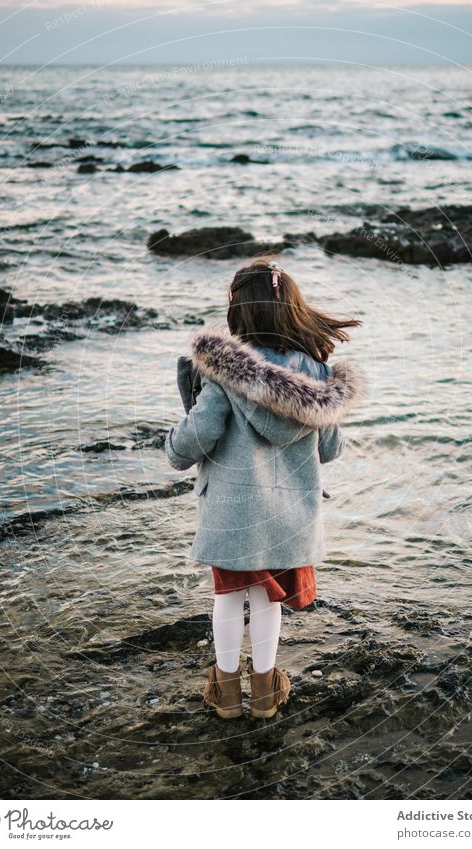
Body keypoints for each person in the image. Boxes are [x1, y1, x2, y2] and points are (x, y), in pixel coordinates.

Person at [165, 257, 364, 720]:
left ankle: (228, 695)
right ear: (291, 310)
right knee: (268, 599)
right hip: (288, 517)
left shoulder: (223, 371)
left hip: (234, 513)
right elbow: (330, 448)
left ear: (241, 314)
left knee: (229, 597)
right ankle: (267, 693)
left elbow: (199, 435)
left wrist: (172, 448)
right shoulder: (317, 377)